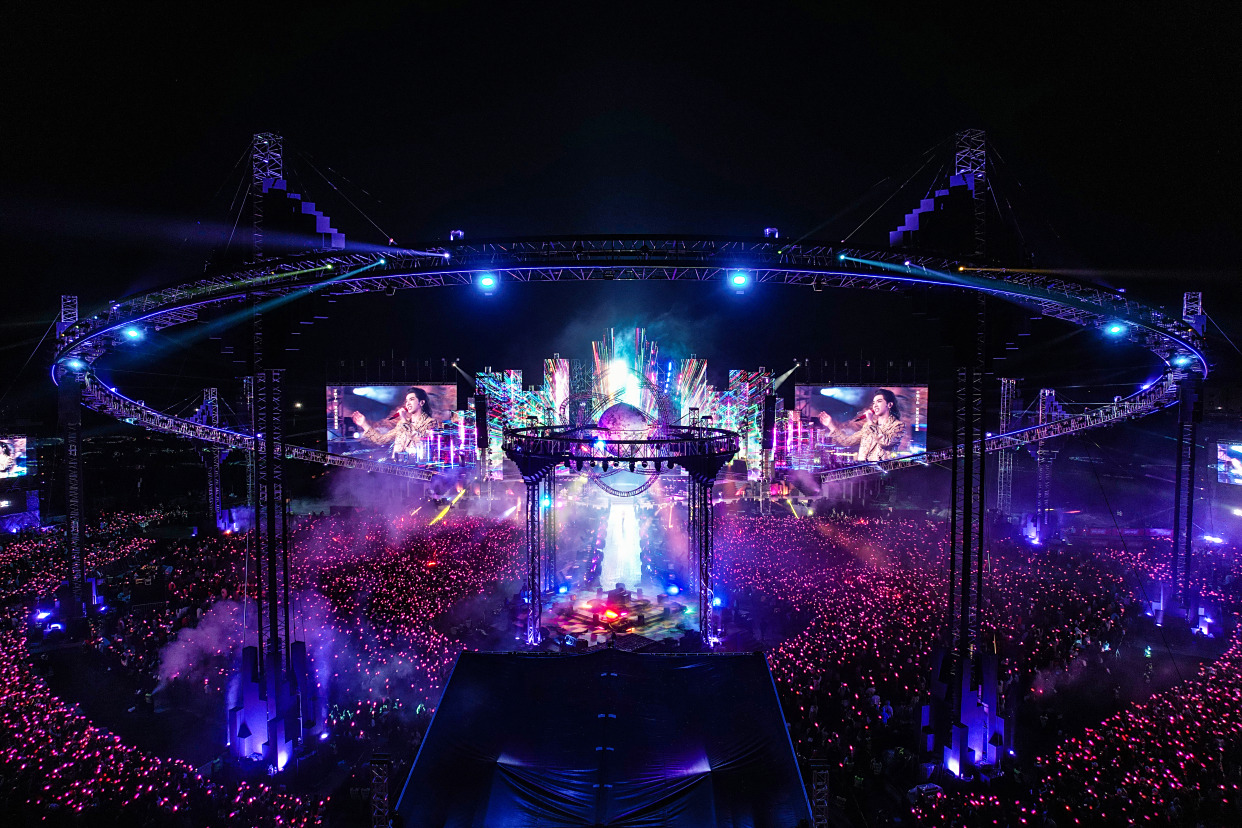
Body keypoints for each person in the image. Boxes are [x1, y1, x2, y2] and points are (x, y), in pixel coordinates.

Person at [818, 389, 906, 461]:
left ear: (889, 405)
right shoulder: (867, 426)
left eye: (879, 402)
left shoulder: (898, 426)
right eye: (874, 403)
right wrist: (830, 425)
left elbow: (885, 442)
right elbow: (847, 441)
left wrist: (870, 422)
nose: (875, 405)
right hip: (863, 469)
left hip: (882, 470)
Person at [352, 387, 437, 458]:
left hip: (416, 468)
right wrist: (364, 424)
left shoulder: (430, 423)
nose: (408, 404)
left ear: (421, 402)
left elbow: (419, 442)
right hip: (398, 466)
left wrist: (404, 419)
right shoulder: (401, 424)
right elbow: (381, 440)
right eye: (407, 401)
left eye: (411, 400)